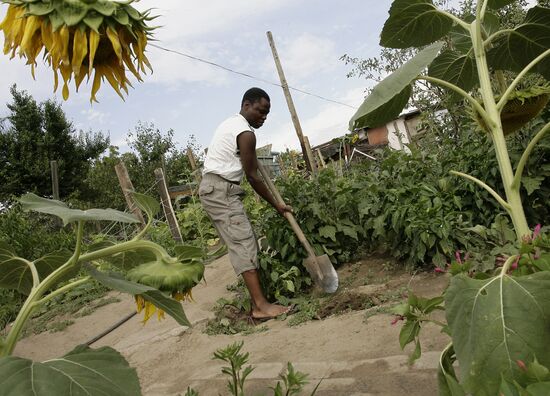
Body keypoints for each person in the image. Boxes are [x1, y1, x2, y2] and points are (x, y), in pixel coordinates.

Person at [199, 87, 292, 320]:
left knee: (242, 239)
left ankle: (258, 300)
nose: (264, 117)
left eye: (267, 113)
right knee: (243, 242)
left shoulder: (232, 124)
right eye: (261, 111)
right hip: (221, 190)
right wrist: (277, 205)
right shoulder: (245, 133)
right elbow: (252, 176)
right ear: (246, 105)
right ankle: (260, 306)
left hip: (215, 188)